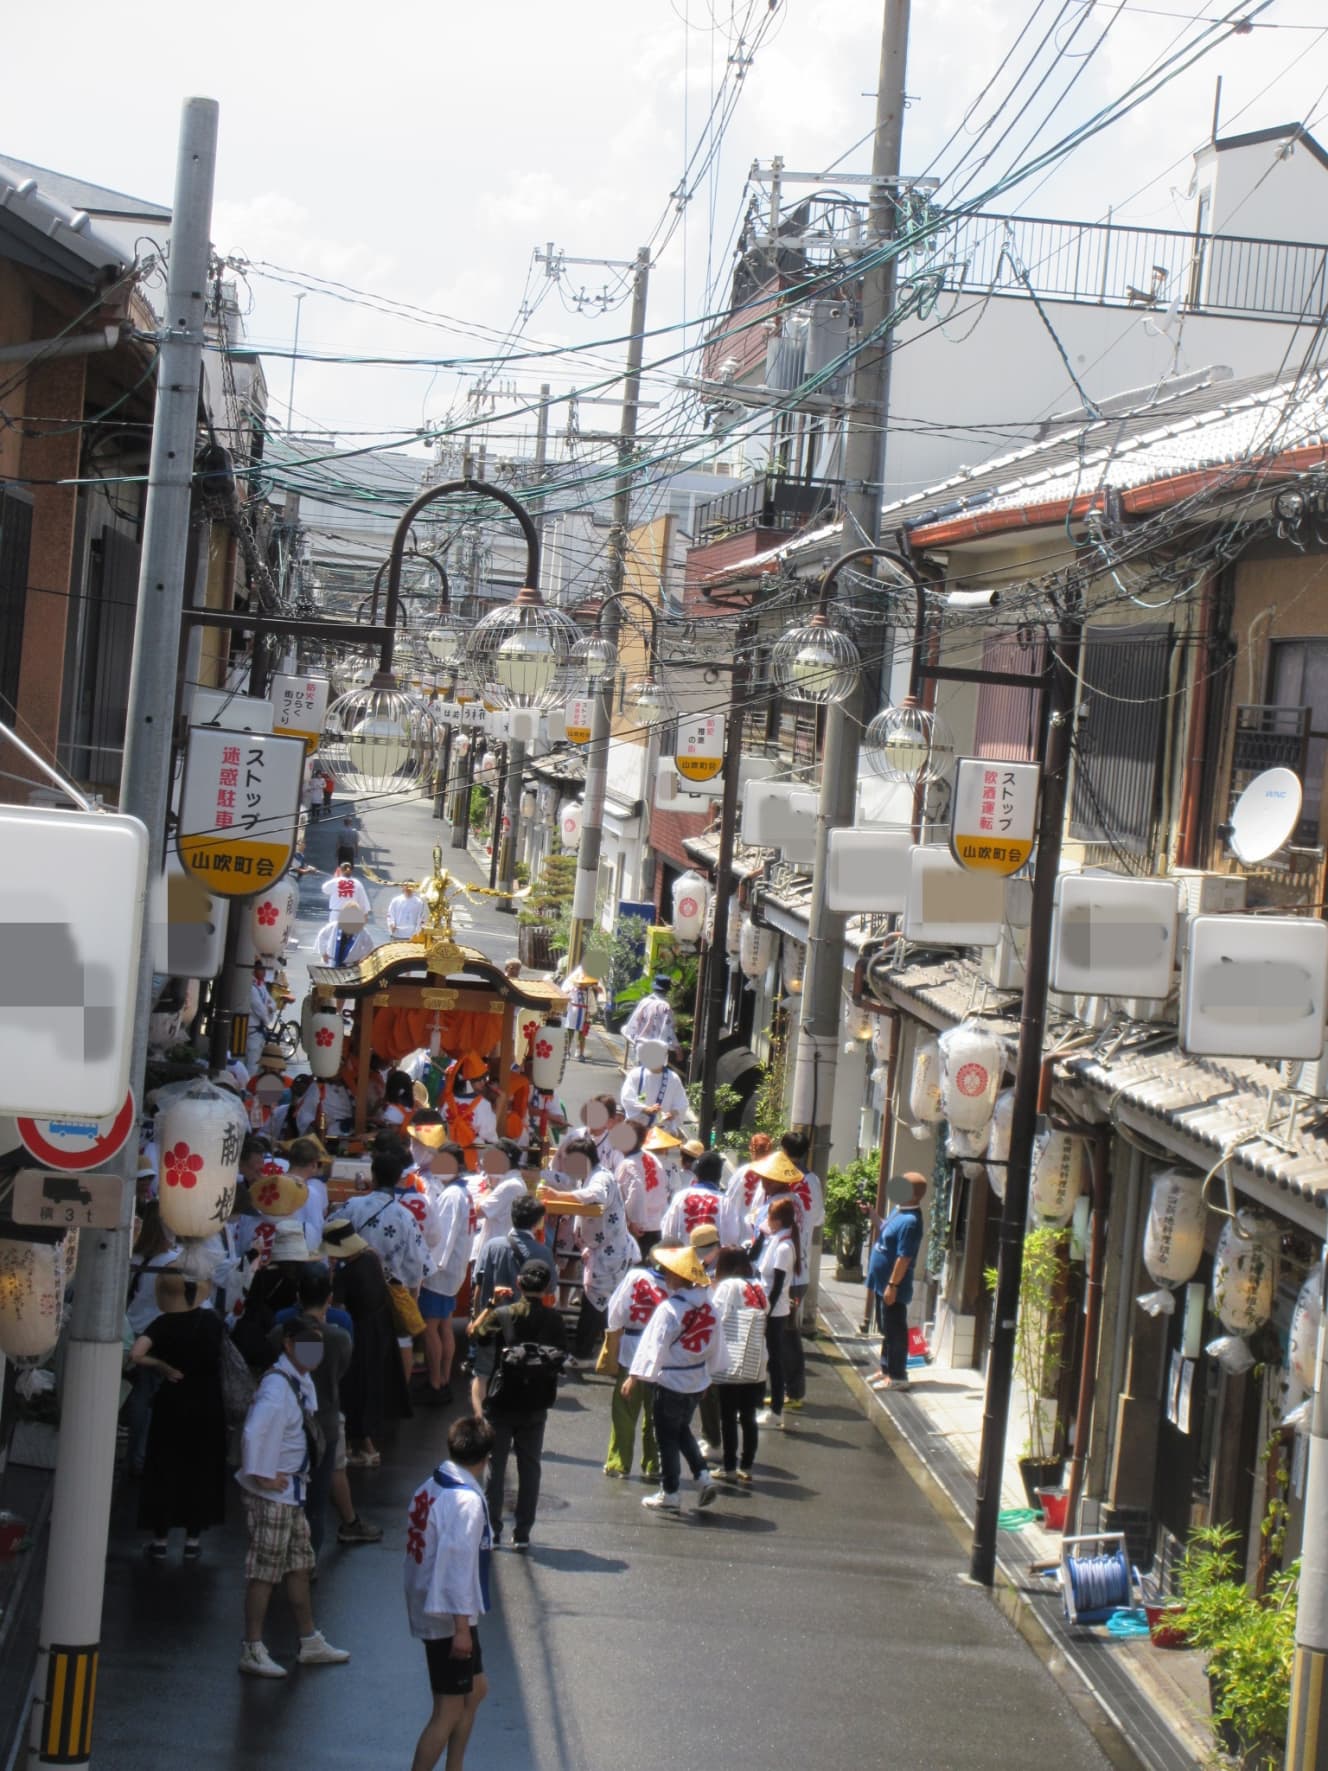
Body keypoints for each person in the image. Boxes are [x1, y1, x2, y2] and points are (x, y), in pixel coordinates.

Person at [235, 1316, 350, 1678]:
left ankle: (309, 1639)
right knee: (265, 1572)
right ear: (288, 1344)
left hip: (290, 1493)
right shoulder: (277, 1387)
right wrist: (261, 1475)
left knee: (299, 1564)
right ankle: (252, 1647)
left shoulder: (294, 1380)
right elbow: (254, 1432)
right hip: (275, 1496)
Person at [404, 1414, 495, 1771]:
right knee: (448, 1708)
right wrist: (460, 1629)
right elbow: (457, 1568)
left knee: (475, 1690)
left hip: (435, 1606)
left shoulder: (431, 1484)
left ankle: (454, 1767)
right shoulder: (466, 1503)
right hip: (448, 1616)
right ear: (486, 1458)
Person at [274, 1267, 382, 1553]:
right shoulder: (340, 1332)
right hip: (327, 1419)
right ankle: (308, 1561)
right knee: (317, 1502)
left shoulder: (281, 1327)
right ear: (329, 1297)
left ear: (298, 1296)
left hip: (287, 1421)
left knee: (286, 1492)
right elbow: (343, 1368)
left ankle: (282, 1553)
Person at [130, 1257, 227, 1561]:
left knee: (164, 1468)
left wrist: (161, 1365)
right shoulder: (212, 1322)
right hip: (209, 1403)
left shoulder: (163, 1323)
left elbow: (136, 1354)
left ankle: (160, 1540)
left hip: (172, 1401)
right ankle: (193, 1541)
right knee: (200, 1468)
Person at [473, 1258, 567, 1549]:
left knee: (496, 1467)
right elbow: (562, 1354)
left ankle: (493, 1528)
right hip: (536, 1402)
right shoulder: (555, 1319)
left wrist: (490, 1304)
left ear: (518, 1284)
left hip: (502, 1400)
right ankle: (523, 1532)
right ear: (548, 1287)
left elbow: (475, 1334)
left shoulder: (504, 1313)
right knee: (530, 1467)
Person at [623, 1244, 724, 1513]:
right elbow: (716, 1346)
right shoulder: (710, 1309)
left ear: (678, 1277)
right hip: (695, 1380)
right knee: (681, 1431)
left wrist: (636, 1376)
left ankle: (670, 1491)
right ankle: (703, 1477)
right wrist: (708, 1376)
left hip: (670, 1382)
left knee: (666, 1437)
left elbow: (653, 1345)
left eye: (669, 1272)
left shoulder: (670, 1309)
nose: (665, 1275)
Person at [538, 1135, 636, 1365]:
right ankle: (598, 1347)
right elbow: (566, 1184)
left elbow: (596, 1196)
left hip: (608, 1251)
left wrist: (559, 1196)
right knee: (597, 1303)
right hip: (599, 1250)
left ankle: (586, 1351)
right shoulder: (589, 1176)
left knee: (596, 1304)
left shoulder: (600, 1177)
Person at [325, 1217, 411, 1467]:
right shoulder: (371, 1259)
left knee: (353, 1391)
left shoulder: (345, 1274)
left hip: (358, 1337)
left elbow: (338, 1310)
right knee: (372, 1386)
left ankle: (361, 1446)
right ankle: (365, 1446)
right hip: (380, 1332)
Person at [468, 1192, 548, 1416]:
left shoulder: (492, 1246)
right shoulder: (542, 1252)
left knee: (482, 1373)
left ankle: (480, 1422)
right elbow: (549, 1289)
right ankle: (510, 1422)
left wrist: (476, 1317)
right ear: (537, 1221)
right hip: (525, 1323)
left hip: (492, 1319)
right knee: (518, 1373)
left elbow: (478, 1284)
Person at [600, 1253, 667, 1481]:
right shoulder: (682, 1284)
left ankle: (619, 1463)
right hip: (665, 1355)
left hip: (632, 1348)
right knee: (656, 1413)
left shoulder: (636, 1276)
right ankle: (653, 1464)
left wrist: (614, 1335)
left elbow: (616, 1311)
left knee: (624, 1410)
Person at [124, 1204, 179, 1476]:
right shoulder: (170, 1260)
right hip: (156, 1334)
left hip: (130, 1328)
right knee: (151, 1400)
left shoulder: (133, 1256)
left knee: (137, 1397)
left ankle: (132, 1454)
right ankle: (141, 1457)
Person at [708, 1246, 770, 1482]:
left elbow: (717, 1318)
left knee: (728, 1416)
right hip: (756, 1360)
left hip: (731, 1360)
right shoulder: (758, 1287)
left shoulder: (727, 1286)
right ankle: (747, 1465)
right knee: (748, 1415)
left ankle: (729, 1466)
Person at [418, 1143, 471, 1406]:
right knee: (445, 1325)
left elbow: (444, 1238)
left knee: (431, 1328)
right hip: (453, 1271)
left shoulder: (452, 1195)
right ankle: (445, 1379)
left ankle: (435, 1382)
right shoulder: (463, 1191)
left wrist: (429, 1268)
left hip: (441, 1272)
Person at [777, 1130, 826, 1413]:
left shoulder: (779, 1178)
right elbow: (817, 1217)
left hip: (780, 1268)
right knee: (785, 1331)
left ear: (784, 1149)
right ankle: (786, 1387)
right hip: (800, 1269)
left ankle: (793, 1390)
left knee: (786, 1333)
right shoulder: (813, 1181)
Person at [866, 1173, 927, 1391]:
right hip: (881, 1282)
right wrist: (872, 1215)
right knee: (886, 1328)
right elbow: (885, 1230)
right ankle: (886, 1368)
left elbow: (904, 1257)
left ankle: (898, 1375)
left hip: (892, 1285)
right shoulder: (899, 1211)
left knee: (895, 1329)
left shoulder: (911, 1222)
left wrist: (893, 1284)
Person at [752, 1196, 800, 1430]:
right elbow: (754, 1257)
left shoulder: (784, 1247)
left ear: (779, 1220)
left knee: (774, 1360)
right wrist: (760, 1235)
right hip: (768, 1306)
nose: (767, 1221)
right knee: (766, 1358)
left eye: (770, 1217)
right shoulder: (775, 1240)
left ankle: (776, 1410)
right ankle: (762, 1405)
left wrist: (766, 1310)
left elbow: (779, 1284)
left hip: (775, 1309)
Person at [619, 1039, 689, 1131]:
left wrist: (673, 1113)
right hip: (638, 1128)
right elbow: (626, 1098)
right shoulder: (636, 1074)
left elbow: (682, 1103)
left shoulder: (673, 1078)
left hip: (662, 1130)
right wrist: (645, 1109)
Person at [660, 1149, 725, 1243]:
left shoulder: (680, 1196)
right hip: (713, 1255)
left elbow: (668, 1230)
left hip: (684, 1254)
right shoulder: (724, 1201)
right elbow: (731, 1235)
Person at [622, 976, 677, 1062]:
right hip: (655, 1048)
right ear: (667, 990)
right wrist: (677, 1048)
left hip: (641, 1044)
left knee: (641, 1071)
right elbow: (668, 1029)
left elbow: (634, 1022)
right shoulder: (665, 1007)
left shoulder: (645, 1002)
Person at [314, 902, 376, 969]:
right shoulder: (335, 926)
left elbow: (370, 946)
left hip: (351, 966)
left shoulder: (362, 931)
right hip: (332, 963)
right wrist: (323, 953)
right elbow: (322, 935)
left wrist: (361, 959)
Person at [561, 964, 601, 1062]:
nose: (583, 985)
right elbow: (566, 999)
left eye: (585, 983)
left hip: (583, 1014)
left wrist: (589, 1012)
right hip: (572, 1014)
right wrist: (566, 1008)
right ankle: (567, 1051)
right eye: (581, 983)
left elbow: (591, 1004)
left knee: (582, 1036)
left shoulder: (589, 992)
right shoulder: (572, 990)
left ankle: (580, 1053)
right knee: (569, 1034)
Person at [247, 960, 278, 1074]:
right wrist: (268, 1011)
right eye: (261, 969)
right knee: (252, 1063)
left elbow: (273, 1003)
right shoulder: (252, 988)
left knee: (257, 1062)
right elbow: (260, 1009)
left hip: (259, 1030)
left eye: (264, 969)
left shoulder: (262, 986)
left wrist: (270, 1008)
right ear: (254, 970)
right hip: (253, 1030)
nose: (264, 972)